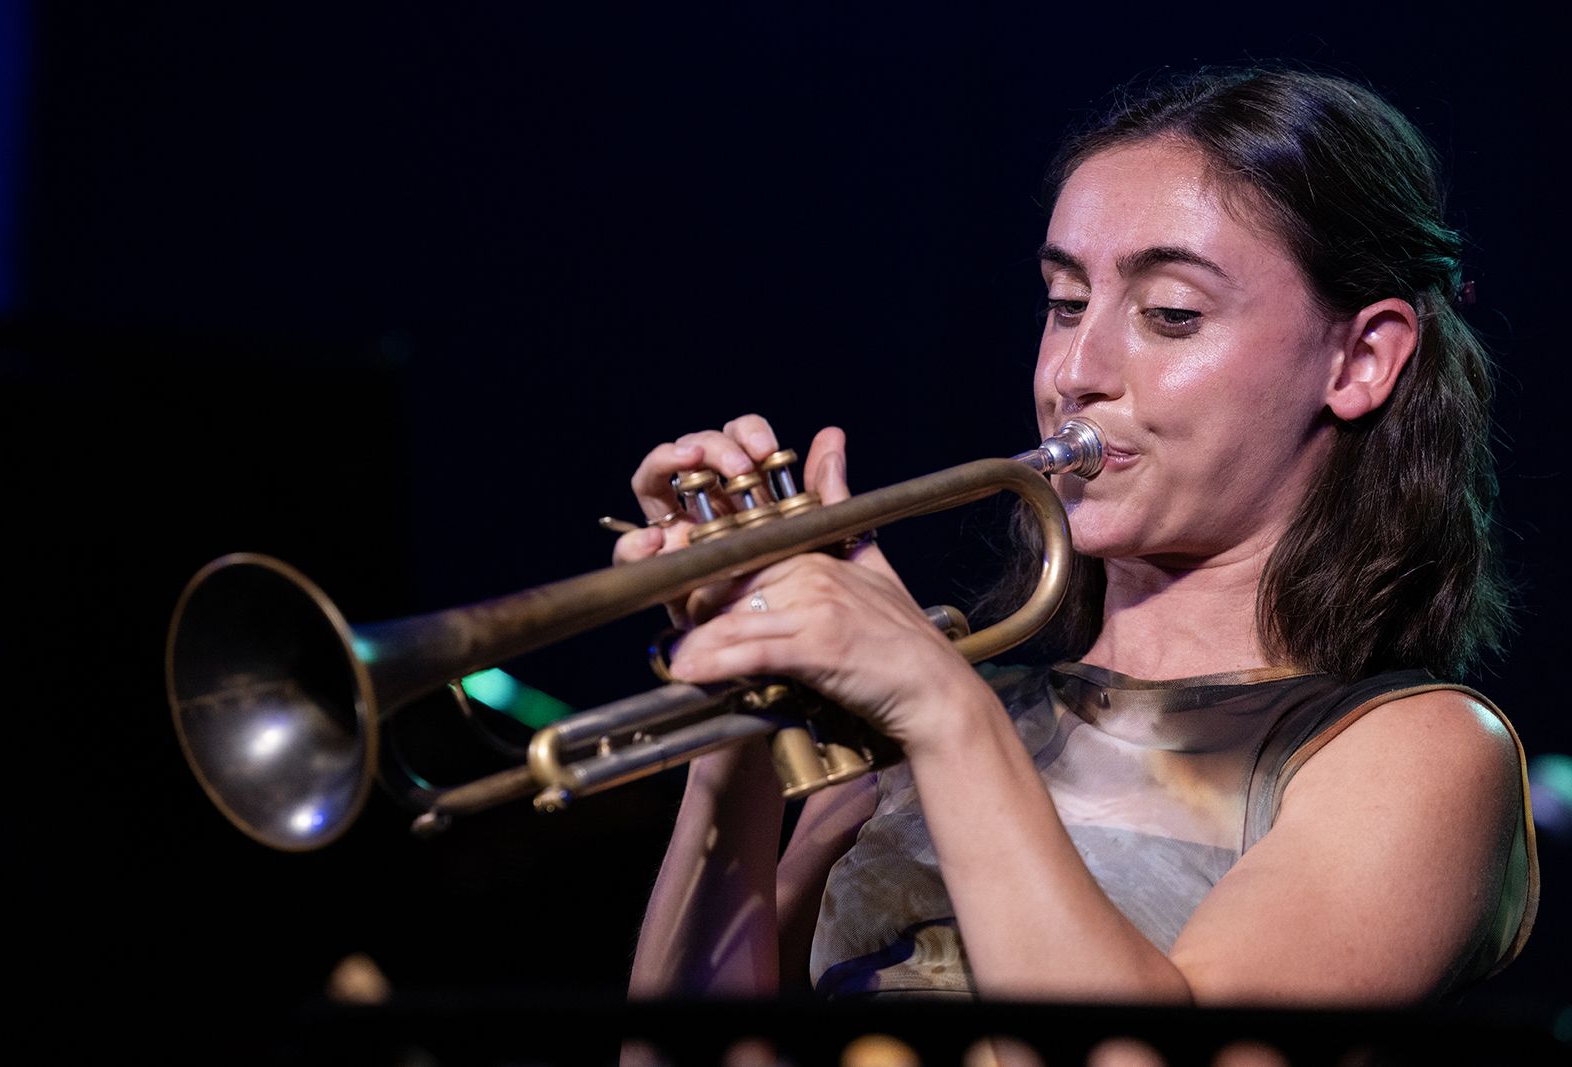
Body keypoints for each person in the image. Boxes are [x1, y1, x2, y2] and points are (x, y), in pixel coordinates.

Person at [610, 67, 1538, 1005]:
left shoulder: (1417, 751)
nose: (1076, 370)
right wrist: (735, 727)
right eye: (1064, 302)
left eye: (1171, 313)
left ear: (1361, 358)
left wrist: (940, 705)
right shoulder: (944, 722)